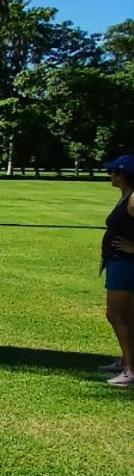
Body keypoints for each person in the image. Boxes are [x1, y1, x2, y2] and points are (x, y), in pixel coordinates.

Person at [101, 154, 134, 388]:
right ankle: (126, 361)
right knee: (121, 316)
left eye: (114, 172)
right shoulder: (126, 196)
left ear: (123, 175)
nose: (110, 175)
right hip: (117, 262)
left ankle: (130, 369)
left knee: (119, 316)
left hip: (126, 265)